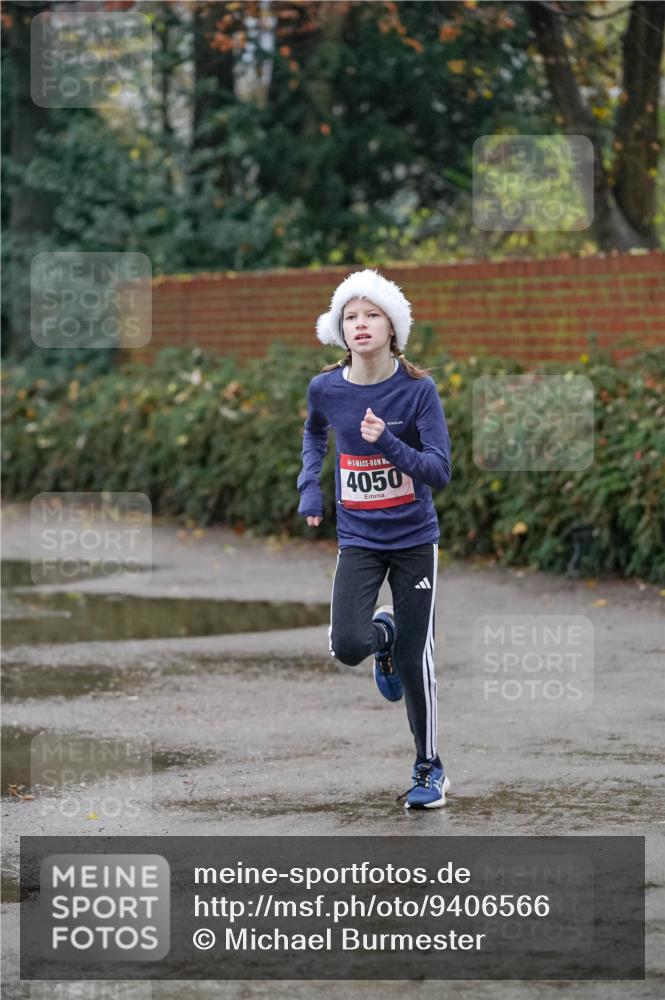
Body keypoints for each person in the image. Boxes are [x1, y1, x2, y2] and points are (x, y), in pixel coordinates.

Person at [296, 269, 453, 809]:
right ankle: (378, 640)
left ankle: (429, 768)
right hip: (359, 538)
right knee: (348, 646)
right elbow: (315, 431)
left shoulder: (417, 391)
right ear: (340, 330)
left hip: (414, 539)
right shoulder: (326, 388)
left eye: (372, 314)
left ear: (393, 328)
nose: (360, 324)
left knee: (417, 658)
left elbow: (438, 470)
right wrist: (310, 491)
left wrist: (387, 441)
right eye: (350, 316)